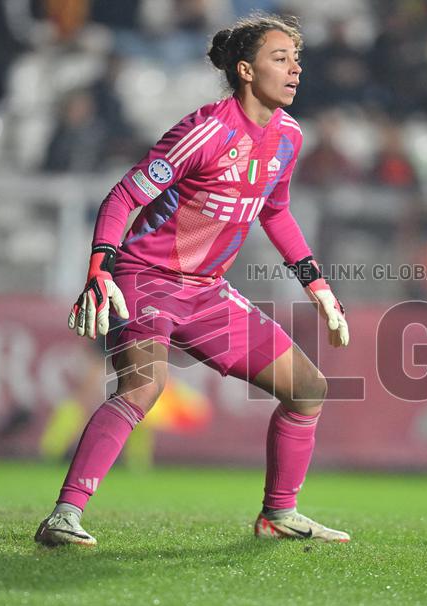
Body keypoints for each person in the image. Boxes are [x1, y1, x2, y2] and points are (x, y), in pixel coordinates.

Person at [34, 14, 352, 547]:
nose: (296, 69)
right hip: (147, 278)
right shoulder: (206, 130)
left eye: (297, 60)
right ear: (246, 70)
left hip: (207, 293)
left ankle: (278, 514)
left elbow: (276, 212)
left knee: (308, 389)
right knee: (144, 386)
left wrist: (315, 284)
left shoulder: (289, 137)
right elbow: (124, 195)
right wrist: (99, 268)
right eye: (281, 58)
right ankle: (64, 516)